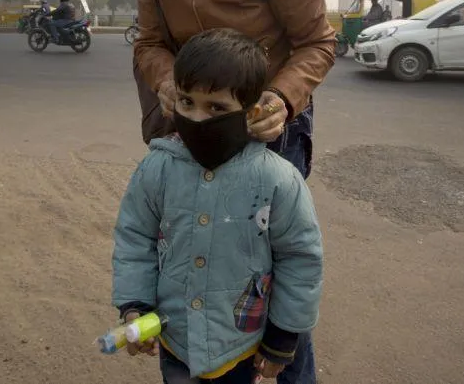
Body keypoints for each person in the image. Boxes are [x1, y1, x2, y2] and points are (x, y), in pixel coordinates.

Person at [80, 0, 334, 383]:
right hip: (194, 126)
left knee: (267, 263)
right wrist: (168, 80)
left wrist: (283, 99)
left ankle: (288, 364)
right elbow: (149, 43)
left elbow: (317, 41)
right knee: (197, 250)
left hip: (267, 123)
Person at [112, 29, 323, 383]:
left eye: (217, 108)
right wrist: (135, 305)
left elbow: (300, 259)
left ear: (251, 111)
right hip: (176, 339)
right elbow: (135, 238)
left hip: (239, 345)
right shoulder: (156, 169)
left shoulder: (278, 180)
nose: (197, 118)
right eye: (187, 102)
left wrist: (283, 338)